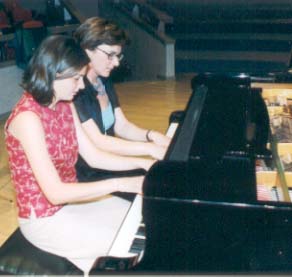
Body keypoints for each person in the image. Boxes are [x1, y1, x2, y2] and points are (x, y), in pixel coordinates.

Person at [4, 35, 154, 274]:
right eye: (75, 78)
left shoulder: (64, 102)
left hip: (69, 204)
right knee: (124, 249)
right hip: (43, 220)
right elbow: (55, 193)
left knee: (139, 220)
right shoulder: (27, 119)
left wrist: (147, 165)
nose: (82, 85)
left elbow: (93, 156)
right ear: (52, 74)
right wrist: (122, 183)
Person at [73, 17, 171, 182]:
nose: (116, 63)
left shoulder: (103, 80)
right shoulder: (75, 89)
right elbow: (98, 141)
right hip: (88, 172)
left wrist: (152, 135)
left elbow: (121, 126)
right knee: (158, 182)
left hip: (110, 162)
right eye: (110, 55)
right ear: (88, 50)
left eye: (118, 56)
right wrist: (150, 149)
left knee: (164, 177)